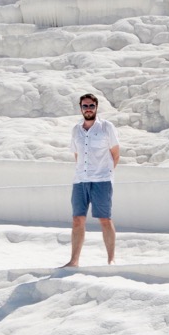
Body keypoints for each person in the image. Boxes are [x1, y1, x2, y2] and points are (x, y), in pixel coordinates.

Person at [62, 93, 119, 267]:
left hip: (102, 180)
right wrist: (82, 172)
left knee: (104, 219)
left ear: (96, 107)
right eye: (85, 106)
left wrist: (106, 174)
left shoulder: (106, 127)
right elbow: (77, 154)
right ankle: (74, 261)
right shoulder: (76, 130)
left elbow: (115, 153)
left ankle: (111, 259)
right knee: (77, 219)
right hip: (80, 180)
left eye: (91, 106)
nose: (88, 109)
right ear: (81, 108)